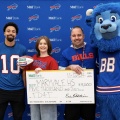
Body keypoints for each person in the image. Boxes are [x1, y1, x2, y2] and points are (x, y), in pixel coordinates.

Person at [59, 26, 98, 120]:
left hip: (89, 92)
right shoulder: (65, 52)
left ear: (83, 36)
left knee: (89, 117)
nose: (77, 38)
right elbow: (60, 70)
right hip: (72, 93)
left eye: (79, 35)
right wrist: (70, 67)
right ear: (70, 38)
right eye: (74, 36)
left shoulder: (93, 48)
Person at [25, 36, 58, 120]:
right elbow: (26, 73)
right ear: (37, 45)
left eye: (45, 44)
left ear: (48, 46)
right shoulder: (32, 59)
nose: (42, 46)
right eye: (40, 43)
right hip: (35, 94)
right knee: (35, 117)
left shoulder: (52, 60)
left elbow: (55, 79)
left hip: (48, 95)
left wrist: (43, 74)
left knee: (48, 117)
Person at [0, 22, 27, 120]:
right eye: (8, 31)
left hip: (18, 89)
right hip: (1, 89)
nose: (10, 33)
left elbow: (24, 70)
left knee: (18, 117)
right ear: (4, 33)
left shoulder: (22, 49)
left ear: (16, 34)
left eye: (13, 31)